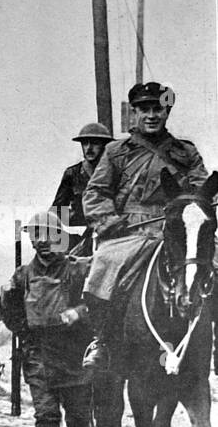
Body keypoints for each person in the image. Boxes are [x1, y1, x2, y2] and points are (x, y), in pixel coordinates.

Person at [82, 82, 208, 370]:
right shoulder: (116, 151)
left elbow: (202, 190)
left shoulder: (185, 152)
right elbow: (95, 192)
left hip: (176, 230)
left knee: (209, 266)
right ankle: (101, 340)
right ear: (135, 113)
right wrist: (110, 222)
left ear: (167, 112)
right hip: (129, 233)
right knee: (101, 267)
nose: (152, 115)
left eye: (158, 109)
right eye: (145, 109)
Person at [0, 211, 93, 427]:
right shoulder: (22, 275)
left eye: (48, 234)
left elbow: (96, 302)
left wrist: (77, 313)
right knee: (46, 414)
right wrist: (25, 333)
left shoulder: (77, 270)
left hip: (72, 354)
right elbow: (10, 309)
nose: (41, 240)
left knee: (78, 415)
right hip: (38, 354)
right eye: (34, 234)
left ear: (59, 236)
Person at [51, 122, 114, 237]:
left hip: (110, 232)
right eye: (85, 144)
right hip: (82, 235)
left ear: (105, 146)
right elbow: (56, 210)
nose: (89, 148)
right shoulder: (72, 174)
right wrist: (76, 220)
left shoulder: (115, 173)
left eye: (95, 143)